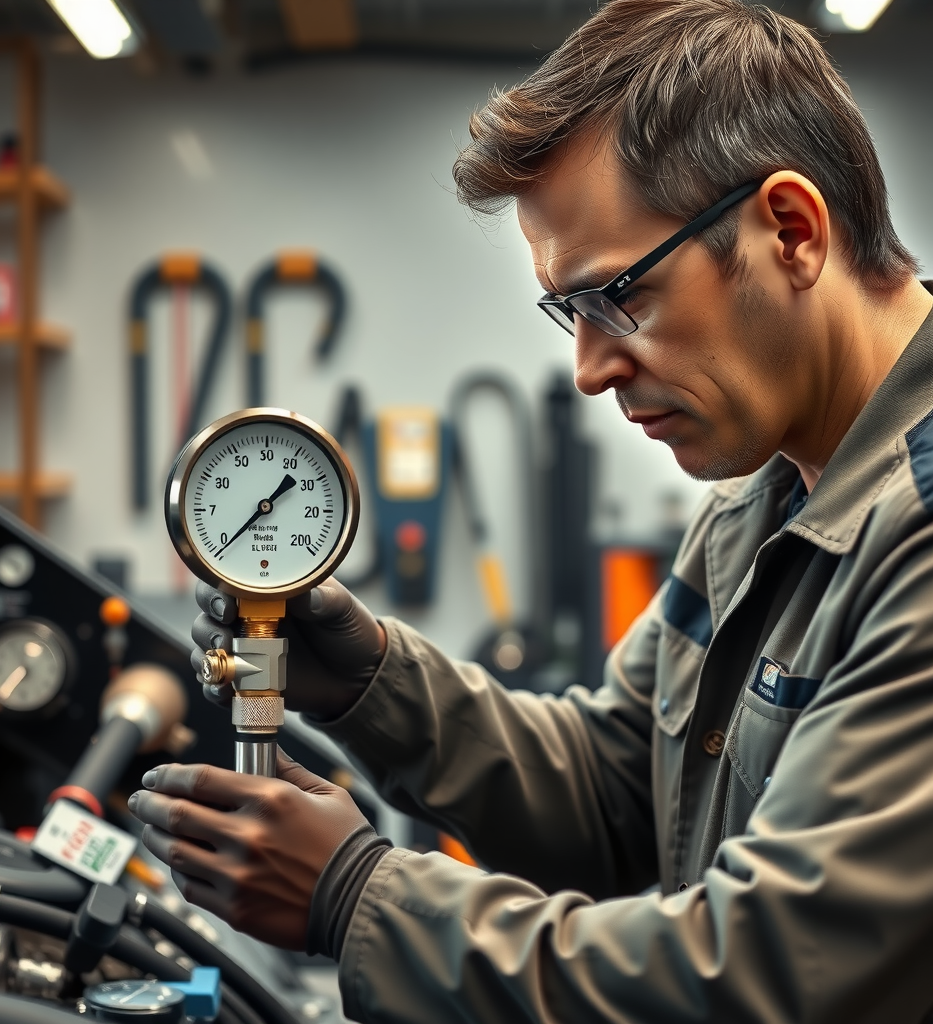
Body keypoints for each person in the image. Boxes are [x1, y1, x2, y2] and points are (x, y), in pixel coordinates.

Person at [128, 1, 933, 1019]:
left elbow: (770, 968)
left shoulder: (916, 532)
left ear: (790, 230)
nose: (589, 370)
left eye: (616, 298)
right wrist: (376, 678)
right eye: (568, 313)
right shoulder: (760, 501)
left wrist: (355, 892)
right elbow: (613, 789)